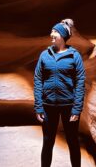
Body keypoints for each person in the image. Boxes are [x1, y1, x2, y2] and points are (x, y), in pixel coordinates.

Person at [34, 19, 86, 167]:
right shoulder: (45, 55)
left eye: (55, 32)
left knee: (72, 141)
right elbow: (38, 79)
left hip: (69, 106)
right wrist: (38, 106)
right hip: (48, 105)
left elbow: (80, 82)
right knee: (48, 141)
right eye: (52, 31)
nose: (51, 34)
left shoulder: (74, 56)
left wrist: (77, 108)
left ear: (63, 36)